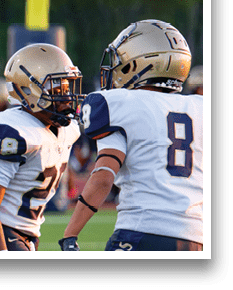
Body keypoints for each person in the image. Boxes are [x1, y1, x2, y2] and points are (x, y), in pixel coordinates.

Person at [61, 19, 203, 251]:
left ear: (139, 63)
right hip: (196, 239)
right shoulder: (201, 108)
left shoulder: (121, 104)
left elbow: (103, 177)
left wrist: (70, 234)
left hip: (140, 231)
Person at [0, 43, 83, 251]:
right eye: (57, 89)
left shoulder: (68, 129)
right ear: (28, 90)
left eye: (67, 87)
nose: (67, 97)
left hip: (23, 234)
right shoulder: (14, 132)